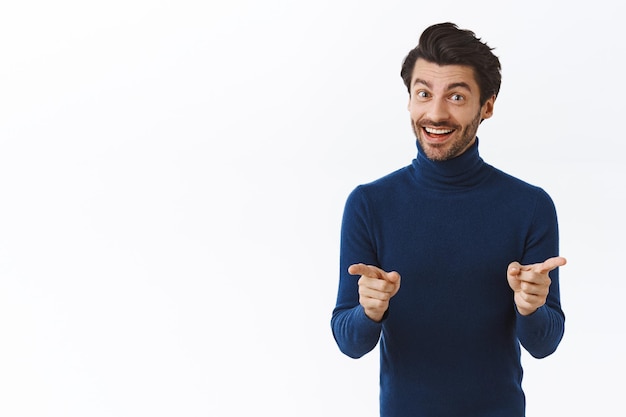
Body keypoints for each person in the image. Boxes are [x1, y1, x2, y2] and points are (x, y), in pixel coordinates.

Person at [330, 22, 566, 416]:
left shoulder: (530, 206)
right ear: (409, 100)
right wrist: (369, 311)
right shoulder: (370, 203)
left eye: (456, 96)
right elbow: (348, 341)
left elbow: (545, 343)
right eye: (424, 93)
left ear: (486, 106)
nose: (435, 113)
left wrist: (531, 308)